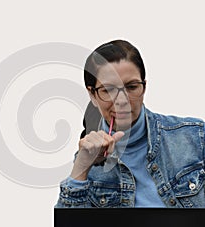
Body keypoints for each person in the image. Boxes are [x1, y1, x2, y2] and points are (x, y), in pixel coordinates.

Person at [55, 39, 205, 208]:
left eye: (132, 87)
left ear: (144, 87)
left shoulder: (195, 137)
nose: (121, 100)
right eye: (109, 89)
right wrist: (80, 170)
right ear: (92, 95)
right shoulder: (87, 158)